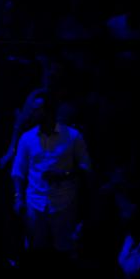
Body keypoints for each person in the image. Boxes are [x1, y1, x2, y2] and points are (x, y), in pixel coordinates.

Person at [11, 91, 92, 253]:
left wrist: (65, 175)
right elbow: (18, 171)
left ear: (50, 110)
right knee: (36, 250)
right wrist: (19, 199)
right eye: (33, 109)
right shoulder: (27, 138)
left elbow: (86, 168)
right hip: (35, 203)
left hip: (65, 201)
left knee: (65, 250)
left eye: (38, 109)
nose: (34, 113)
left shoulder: (73, 136)